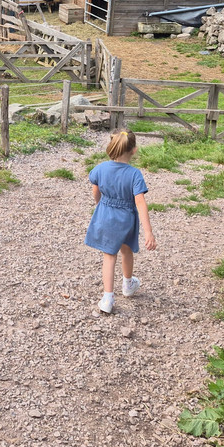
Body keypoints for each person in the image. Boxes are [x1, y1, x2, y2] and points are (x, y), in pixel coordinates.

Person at [84, 128, 157, 314]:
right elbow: (140, 203)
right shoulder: (134, 175)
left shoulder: (100, 168)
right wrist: (148, 232)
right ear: (134, 150)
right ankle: (127, 284)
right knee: (126, 250)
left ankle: (108, 298)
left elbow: (96, 190)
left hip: (105, 214)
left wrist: (100, 204)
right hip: (126, 219)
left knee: (109, 256)